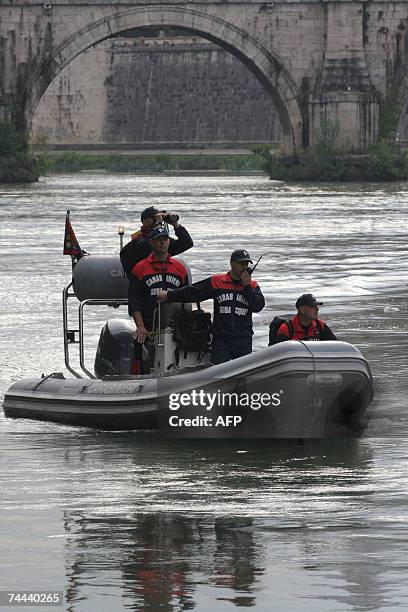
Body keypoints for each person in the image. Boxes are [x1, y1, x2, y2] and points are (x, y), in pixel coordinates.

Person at [157, 249, 265, 364]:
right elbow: (193, 291)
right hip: (222, 340)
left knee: (242, 376)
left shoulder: (253, 285)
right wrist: (169, 295)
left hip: (243, 340)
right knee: (218, 372)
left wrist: (247, 287)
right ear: (232, 263)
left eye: (246, 264)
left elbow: (258, 306)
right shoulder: (217, 281)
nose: (244, 267)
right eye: (240, 263)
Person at [128, 226, 189, 373]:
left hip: (175, 325)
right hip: (149, 325)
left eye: (165, 239)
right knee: (141, 352)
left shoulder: (180, 269)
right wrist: (141, 326)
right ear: (152, 243)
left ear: (169, 242)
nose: (162, 243)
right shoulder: (140, 268)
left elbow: (186, 298)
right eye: (158, 240)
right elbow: (134, 301)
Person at [120, 206, 193, 278]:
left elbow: (187, 243)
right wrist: (158, 225)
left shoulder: (163, 242)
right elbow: (146, 247)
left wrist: (176, 225)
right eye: (154, 218)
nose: (162, 242)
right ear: (145, 222)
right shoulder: (137, 241)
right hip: (143, 283)